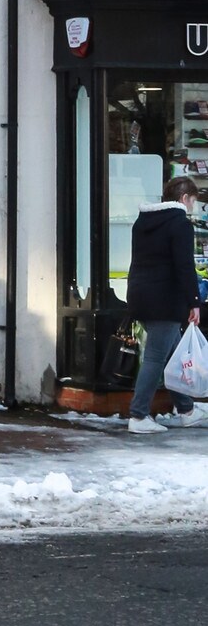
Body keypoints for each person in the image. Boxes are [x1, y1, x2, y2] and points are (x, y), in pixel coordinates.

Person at [125, 175, 204, 434]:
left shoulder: (143, 222)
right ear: (184, 198)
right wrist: (195, 302)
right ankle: (138, 416)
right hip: (165, 300)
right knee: (156, 358)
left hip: (141, 296)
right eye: (192, 201)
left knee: (170, 353)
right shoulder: (180, 224)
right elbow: (184, 266)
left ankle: (187, 410)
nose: (192, 206)